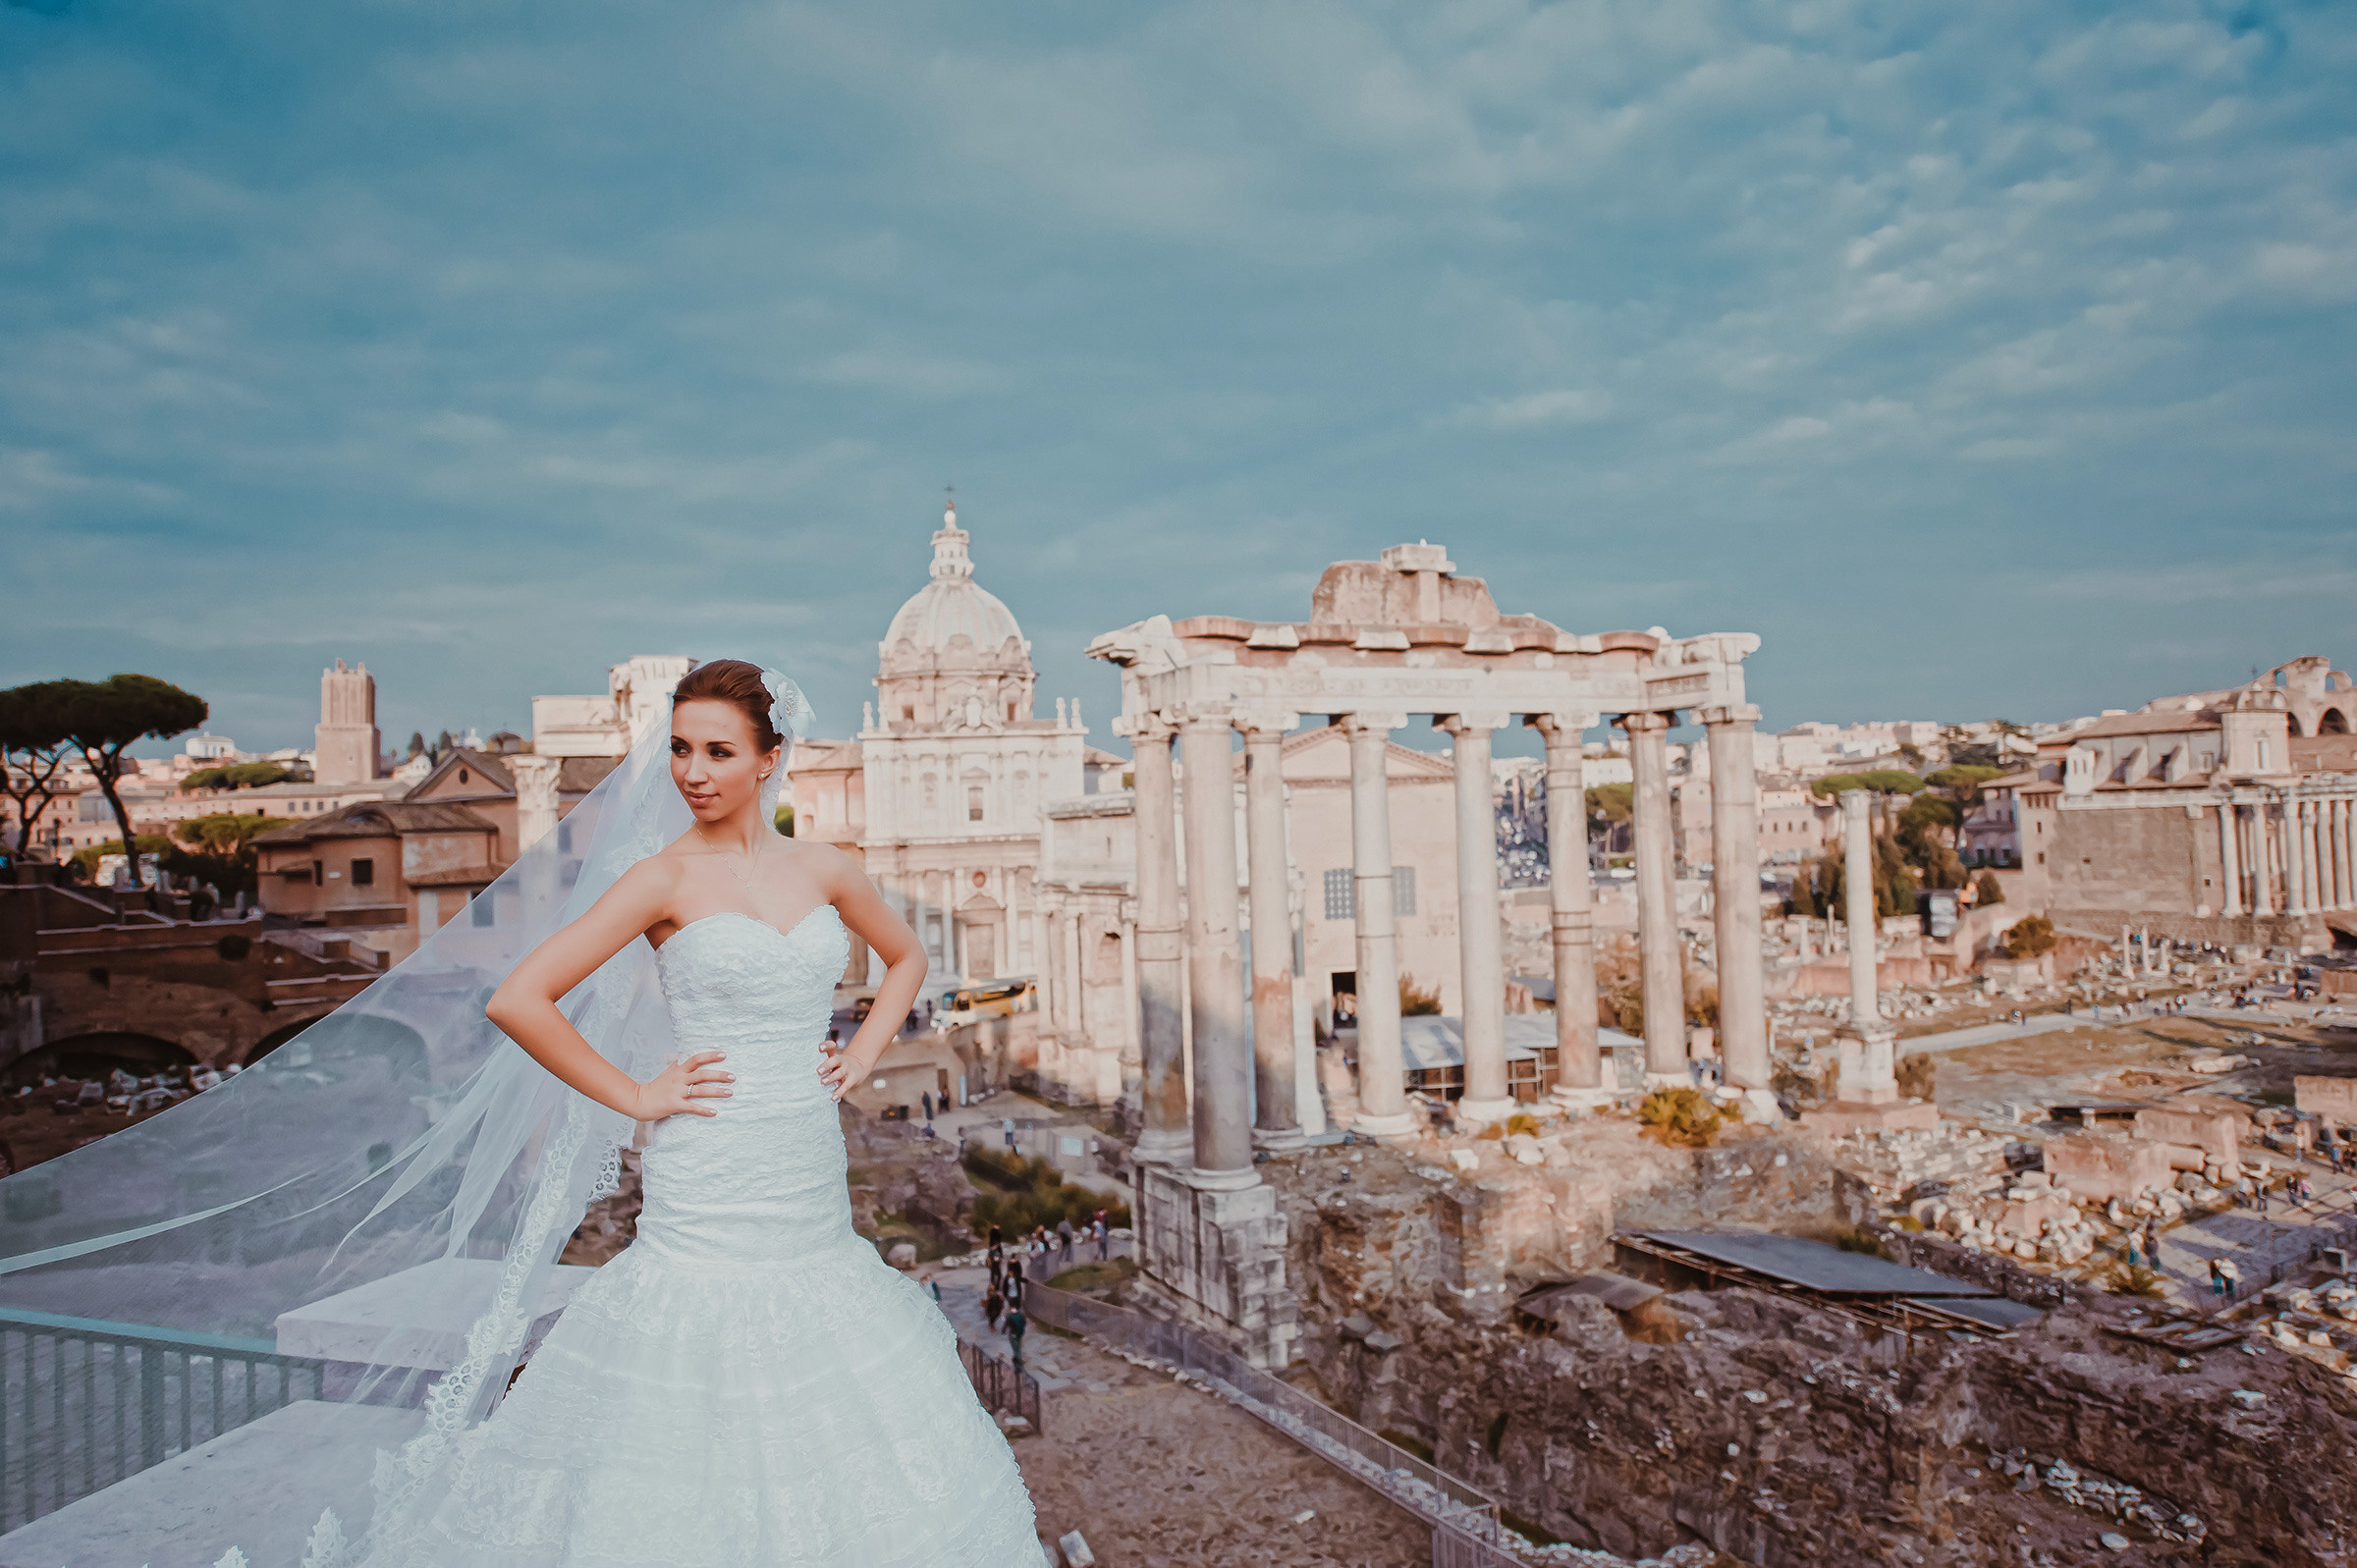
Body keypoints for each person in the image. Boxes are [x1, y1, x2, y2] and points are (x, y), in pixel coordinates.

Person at [371, 661, 1044, 1563]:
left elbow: (909, 960)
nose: (693, 771)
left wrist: (861, 1055)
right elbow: (519, 997)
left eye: (719, 751)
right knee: (696, 1371)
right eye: (682, 748)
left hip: (805, 1173)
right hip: (709, 1165)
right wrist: (639, 1094)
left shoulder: (826, 866)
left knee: (826, 1382)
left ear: (769, 759)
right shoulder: (659, 879)